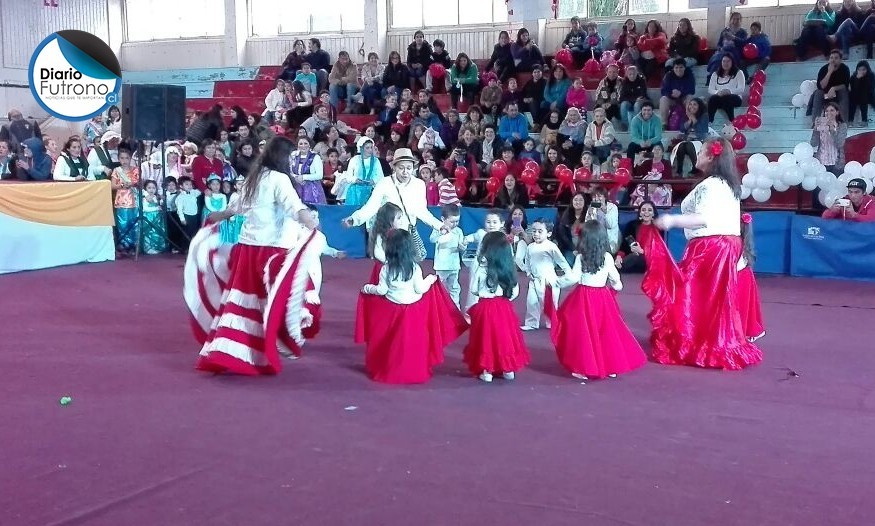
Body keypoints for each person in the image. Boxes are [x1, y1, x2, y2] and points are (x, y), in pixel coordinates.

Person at [185, 136, 320, 375]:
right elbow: (293, 205)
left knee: (249, 299)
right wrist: (309, 219)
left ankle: (243, 345)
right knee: (283, 294)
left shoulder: (254, 178)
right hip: (272, 248)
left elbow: (236, 207)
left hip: (247, 248)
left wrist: (218, 217)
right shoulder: (279, 178)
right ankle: (278, 341)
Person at [643, 137, 763, 370]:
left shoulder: (711, 186)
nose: (696, 156)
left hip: (710, 246)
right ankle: (710, 342)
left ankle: (694, 343)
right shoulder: (728, 186)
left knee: (686, 292)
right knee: (711, 298)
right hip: (726, 244)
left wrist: (671, 220)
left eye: (701, 152)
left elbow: (703, 218)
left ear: (710, 156)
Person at [357, 229, 467, 384]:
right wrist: (430, 279)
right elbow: (420, 289)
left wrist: (368, 288)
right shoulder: (414, 268)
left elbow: (382, 290)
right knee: (414, 342)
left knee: (390, 341)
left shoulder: (386, 269)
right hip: (413, 311)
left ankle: (391, 369)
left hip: (392, 309)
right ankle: (414, 370)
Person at [552, 220, 647, 381]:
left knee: (583, 331)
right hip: (603, 298)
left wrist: (556, 282)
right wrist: (616, 288)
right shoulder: (608, 257)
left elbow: (573, 277)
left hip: (583, 297)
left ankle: (585, 366)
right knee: (605, 330)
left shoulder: (581, 257)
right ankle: (609, 366)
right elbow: (615, 280)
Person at [343, 148, 444, 261]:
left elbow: (422, 211)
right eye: (401, 168)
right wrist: (355, 219)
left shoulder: (419, 184)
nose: (405, 172)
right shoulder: (384, 183)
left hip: (406, 235)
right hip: (386, 235)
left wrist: (440, 226)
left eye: (409, 168)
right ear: (394, 167)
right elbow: (371, 207)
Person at [464, 232, 529, 383]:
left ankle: (487, 371)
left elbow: (474, 289)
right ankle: (508, 369)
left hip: (485, 308)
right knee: (504, 337)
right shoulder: (509, 268)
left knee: (485, 338)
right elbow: (515, 291)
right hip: (504, 308)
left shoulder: (481, 268)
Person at [520, 218, 572, 331]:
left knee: (549, 302)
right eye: (534, 231)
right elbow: (527, 262)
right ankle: (532, 322)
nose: (536, 234)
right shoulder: (530, 247)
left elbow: (561, 261)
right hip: (534, 280)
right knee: (531, 301)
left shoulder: (551, 246)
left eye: (540, 231)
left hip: (548, 280)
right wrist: (528, 273)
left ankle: (552, 322)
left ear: (548, 233)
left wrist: (568, 274)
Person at [462, 210, 504, 314]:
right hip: (478, 265)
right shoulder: (481, 233)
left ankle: (490, 310)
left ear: (501, 224)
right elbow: (472, 237)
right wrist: (465, 240)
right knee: (474, 287)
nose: (491, 225)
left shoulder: (502, 237)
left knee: (492, 288)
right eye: (488, 222)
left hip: (495, 265)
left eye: (495, 222)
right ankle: (470, 311)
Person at [737, 213, 765, 342]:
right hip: (744, 277)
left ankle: (741, 332)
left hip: (740, 278)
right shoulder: (745, 244)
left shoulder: (736, 244)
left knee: (740, 307)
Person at [429, 204, 465, 308]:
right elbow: (432, 239)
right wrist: (441, 233)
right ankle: (440, 307)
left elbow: (462, 247)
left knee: (454, 287)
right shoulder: (438, 228)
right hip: (441, 266)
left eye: (457, 221)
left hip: (454, 266)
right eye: (452, 221)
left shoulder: (459, 231)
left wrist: (462, 247)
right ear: (443, 219)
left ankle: (455, 307)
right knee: (441, 287)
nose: (455, 224)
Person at [615, 201, 661, 273]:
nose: (646, 212)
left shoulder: (659, 228)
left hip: (651, 260)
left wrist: (642, 252)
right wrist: (619, 257)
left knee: (635, 257)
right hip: (632, 258)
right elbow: (624, 245)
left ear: (653, 213)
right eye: (643, 210)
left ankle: (616, 269)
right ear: (640, 213)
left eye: (649, 210)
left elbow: (659, 251)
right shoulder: (632, 225)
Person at [110, 149, 140, 253]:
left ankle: (135, 244)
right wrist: (122, 185)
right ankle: (124, 244)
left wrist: (133, 184)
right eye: (122, 158)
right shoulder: (116, 171)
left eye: (127, 158)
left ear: (130, 158)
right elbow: (112, 186)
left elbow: (141, 184)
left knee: (134, 223)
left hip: (134, 200)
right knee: (123, 224)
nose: (124, 160)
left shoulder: (136, 170)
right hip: (122, 201)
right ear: (118, 159)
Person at [810, 102, 848, 175]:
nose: (828, 113)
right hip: (821, 163)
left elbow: (839, 143)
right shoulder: (821, 124)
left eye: (832, 110)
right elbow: (813, 143)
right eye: (826, 111)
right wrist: (815, 130)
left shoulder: (842, 126)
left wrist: (831, 129)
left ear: (837, 112)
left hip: (836, 164)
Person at [707, 54, 746, 122]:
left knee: (727, 98)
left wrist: (729, 91)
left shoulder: (739, 72)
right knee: (712, 99)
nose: (725, 63)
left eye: (728, 61)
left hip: (734, 98)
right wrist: (717, 92)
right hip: (719, 97)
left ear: (732, 62)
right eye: (724, 61)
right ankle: (710, 122)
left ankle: (732, 121)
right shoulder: (715, 74)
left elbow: (741, 89)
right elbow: (710, 89)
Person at [290, 137, 325, 204]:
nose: (303, 146)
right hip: (296, 187)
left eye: (305, 143)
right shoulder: (293, 156)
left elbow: (319, 175)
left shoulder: (315, 157)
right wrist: (296, 178)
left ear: (309, 145)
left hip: (312, 189)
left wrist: (303, 177)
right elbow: (289, 170)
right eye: (301, 144)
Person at [585, 186, 621, 253]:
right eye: (594, 196)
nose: (596, 199)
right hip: (595, 238)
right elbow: (587, 226)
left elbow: (611, 225)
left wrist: (605, 212)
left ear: (605, 197)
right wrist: (589, 215)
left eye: (599, 196)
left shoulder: (612, 207)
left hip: (609, 239)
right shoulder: (592, 207)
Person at [141, 180, 168, 255]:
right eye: (149, 188)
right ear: (145, 188)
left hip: (157, 216)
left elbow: (160, 205)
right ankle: (149, 248)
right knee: (149, 231)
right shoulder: (145, 197)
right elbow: (147, 205)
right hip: (148, 216)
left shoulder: (157, 197)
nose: (151, 189)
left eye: (153, 188)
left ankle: (158, 246)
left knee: (157, 231)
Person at [848, 60, 874, 127]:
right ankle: (850, 120)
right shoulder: (853, 77)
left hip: (868, 96)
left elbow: (870, 88)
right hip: (855, 96)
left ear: (867, 69)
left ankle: (864, 120)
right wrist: (857, 79)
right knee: (852, 99)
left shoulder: (871, 76)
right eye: (859, 69)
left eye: (864, 69)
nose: (861, 71)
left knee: (863, 95)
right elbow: (852, 90)